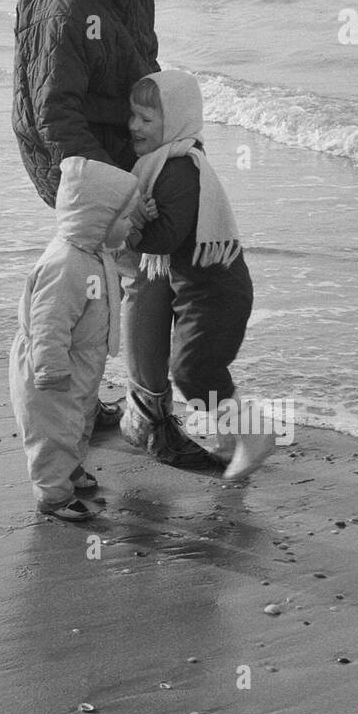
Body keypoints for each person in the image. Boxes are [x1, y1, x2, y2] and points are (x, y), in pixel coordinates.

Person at [12, 0, 206, 443]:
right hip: (68, 151)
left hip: (118, 138)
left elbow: (141, 65)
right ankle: (144, 415)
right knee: (139, 269)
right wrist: (115, 191)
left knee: (112, 276)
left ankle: (89, 398)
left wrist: (174, 141)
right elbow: (55, 112)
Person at [119, 70, 274, 481]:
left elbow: (167, 239)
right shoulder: (166, 163)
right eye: (132, 115)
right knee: (199, 367)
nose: (134, 125)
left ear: (176, 122)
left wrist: (133, 227)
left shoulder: (179, 171)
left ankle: (254, 434)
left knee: (191, 369)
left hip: (216, 295)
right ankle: (227, 443)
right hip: (200, 291)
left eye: (147, 119)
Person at [9, 157, 145, 521]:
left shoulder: (93, 251)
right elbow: (48, 323)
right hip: (52, 366)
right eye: (125, 218)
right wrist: (51, 370)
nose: (131, 225)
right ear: (98, 220)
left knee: (79, 420)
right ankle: (52, 494)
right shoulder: (66, 265)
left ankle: (68, 471)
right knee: (53, 430)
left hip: (82, 360)